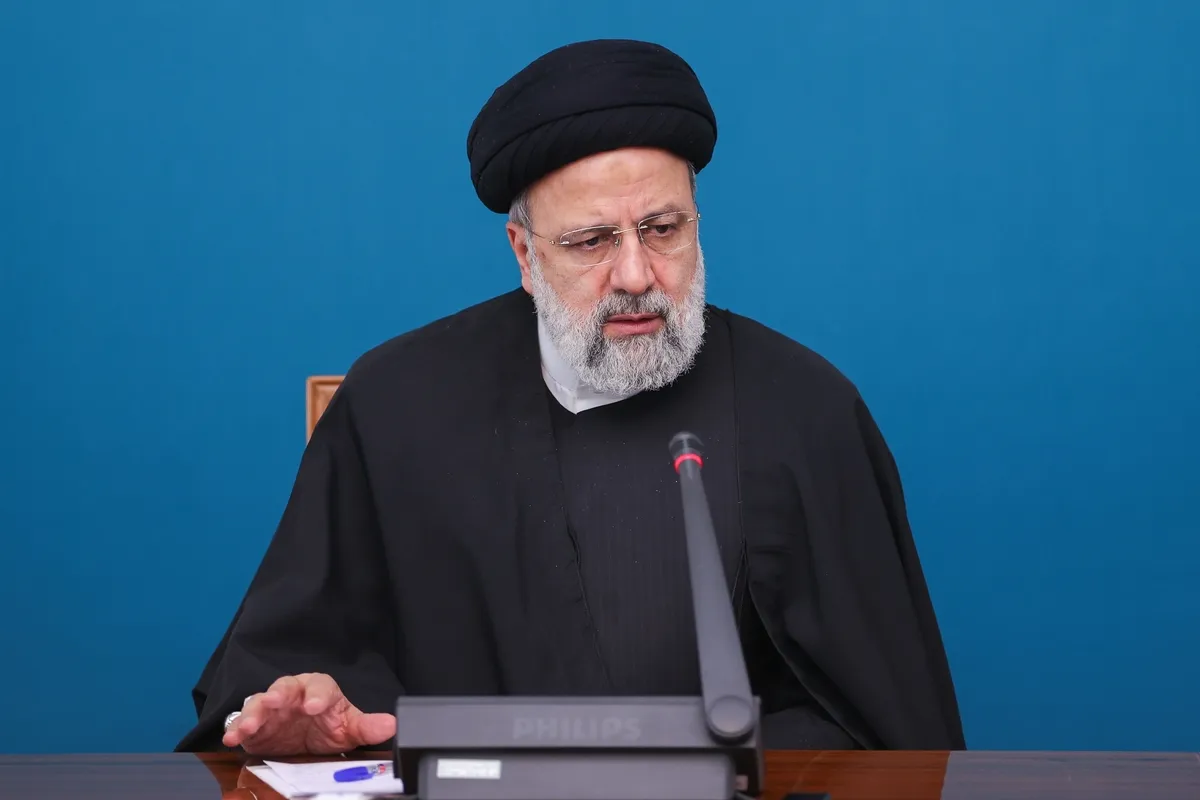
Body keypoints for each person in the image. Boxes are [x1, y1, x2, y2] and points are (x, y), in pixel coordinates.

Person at [176, 38, 966, 756]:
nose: (636, 275)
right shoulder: (396, 403)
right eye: (592, 241)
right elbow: (292, 667)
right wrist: (307, 720)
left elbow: (880, 722)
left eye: (663, 229)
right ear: (523, 253)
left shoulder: (803, 409)